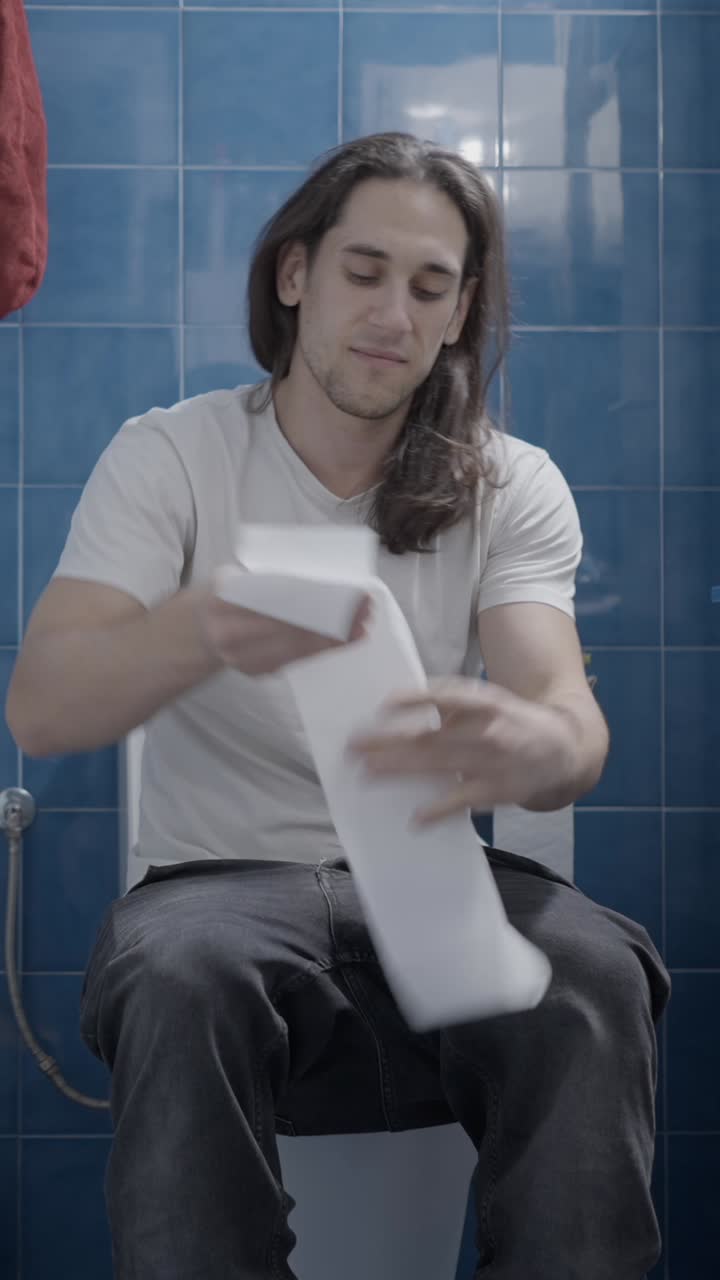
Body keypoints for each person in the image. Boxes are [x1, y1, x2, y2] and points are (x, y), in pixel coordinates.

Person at [6, 132, 669, 1280]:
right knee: (178, 971)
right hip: (217, 891)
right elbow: (42, 710)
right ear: (294, 273)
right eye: (364, 272)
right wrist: (205, 621)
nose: (393, 315)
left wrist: (543, 741)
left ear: (459, 314)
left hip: (432, 882)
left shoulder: (511, 483)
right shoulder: (171, 457)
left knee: (594, 971)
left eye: (430, 287)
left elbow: (567, 712)